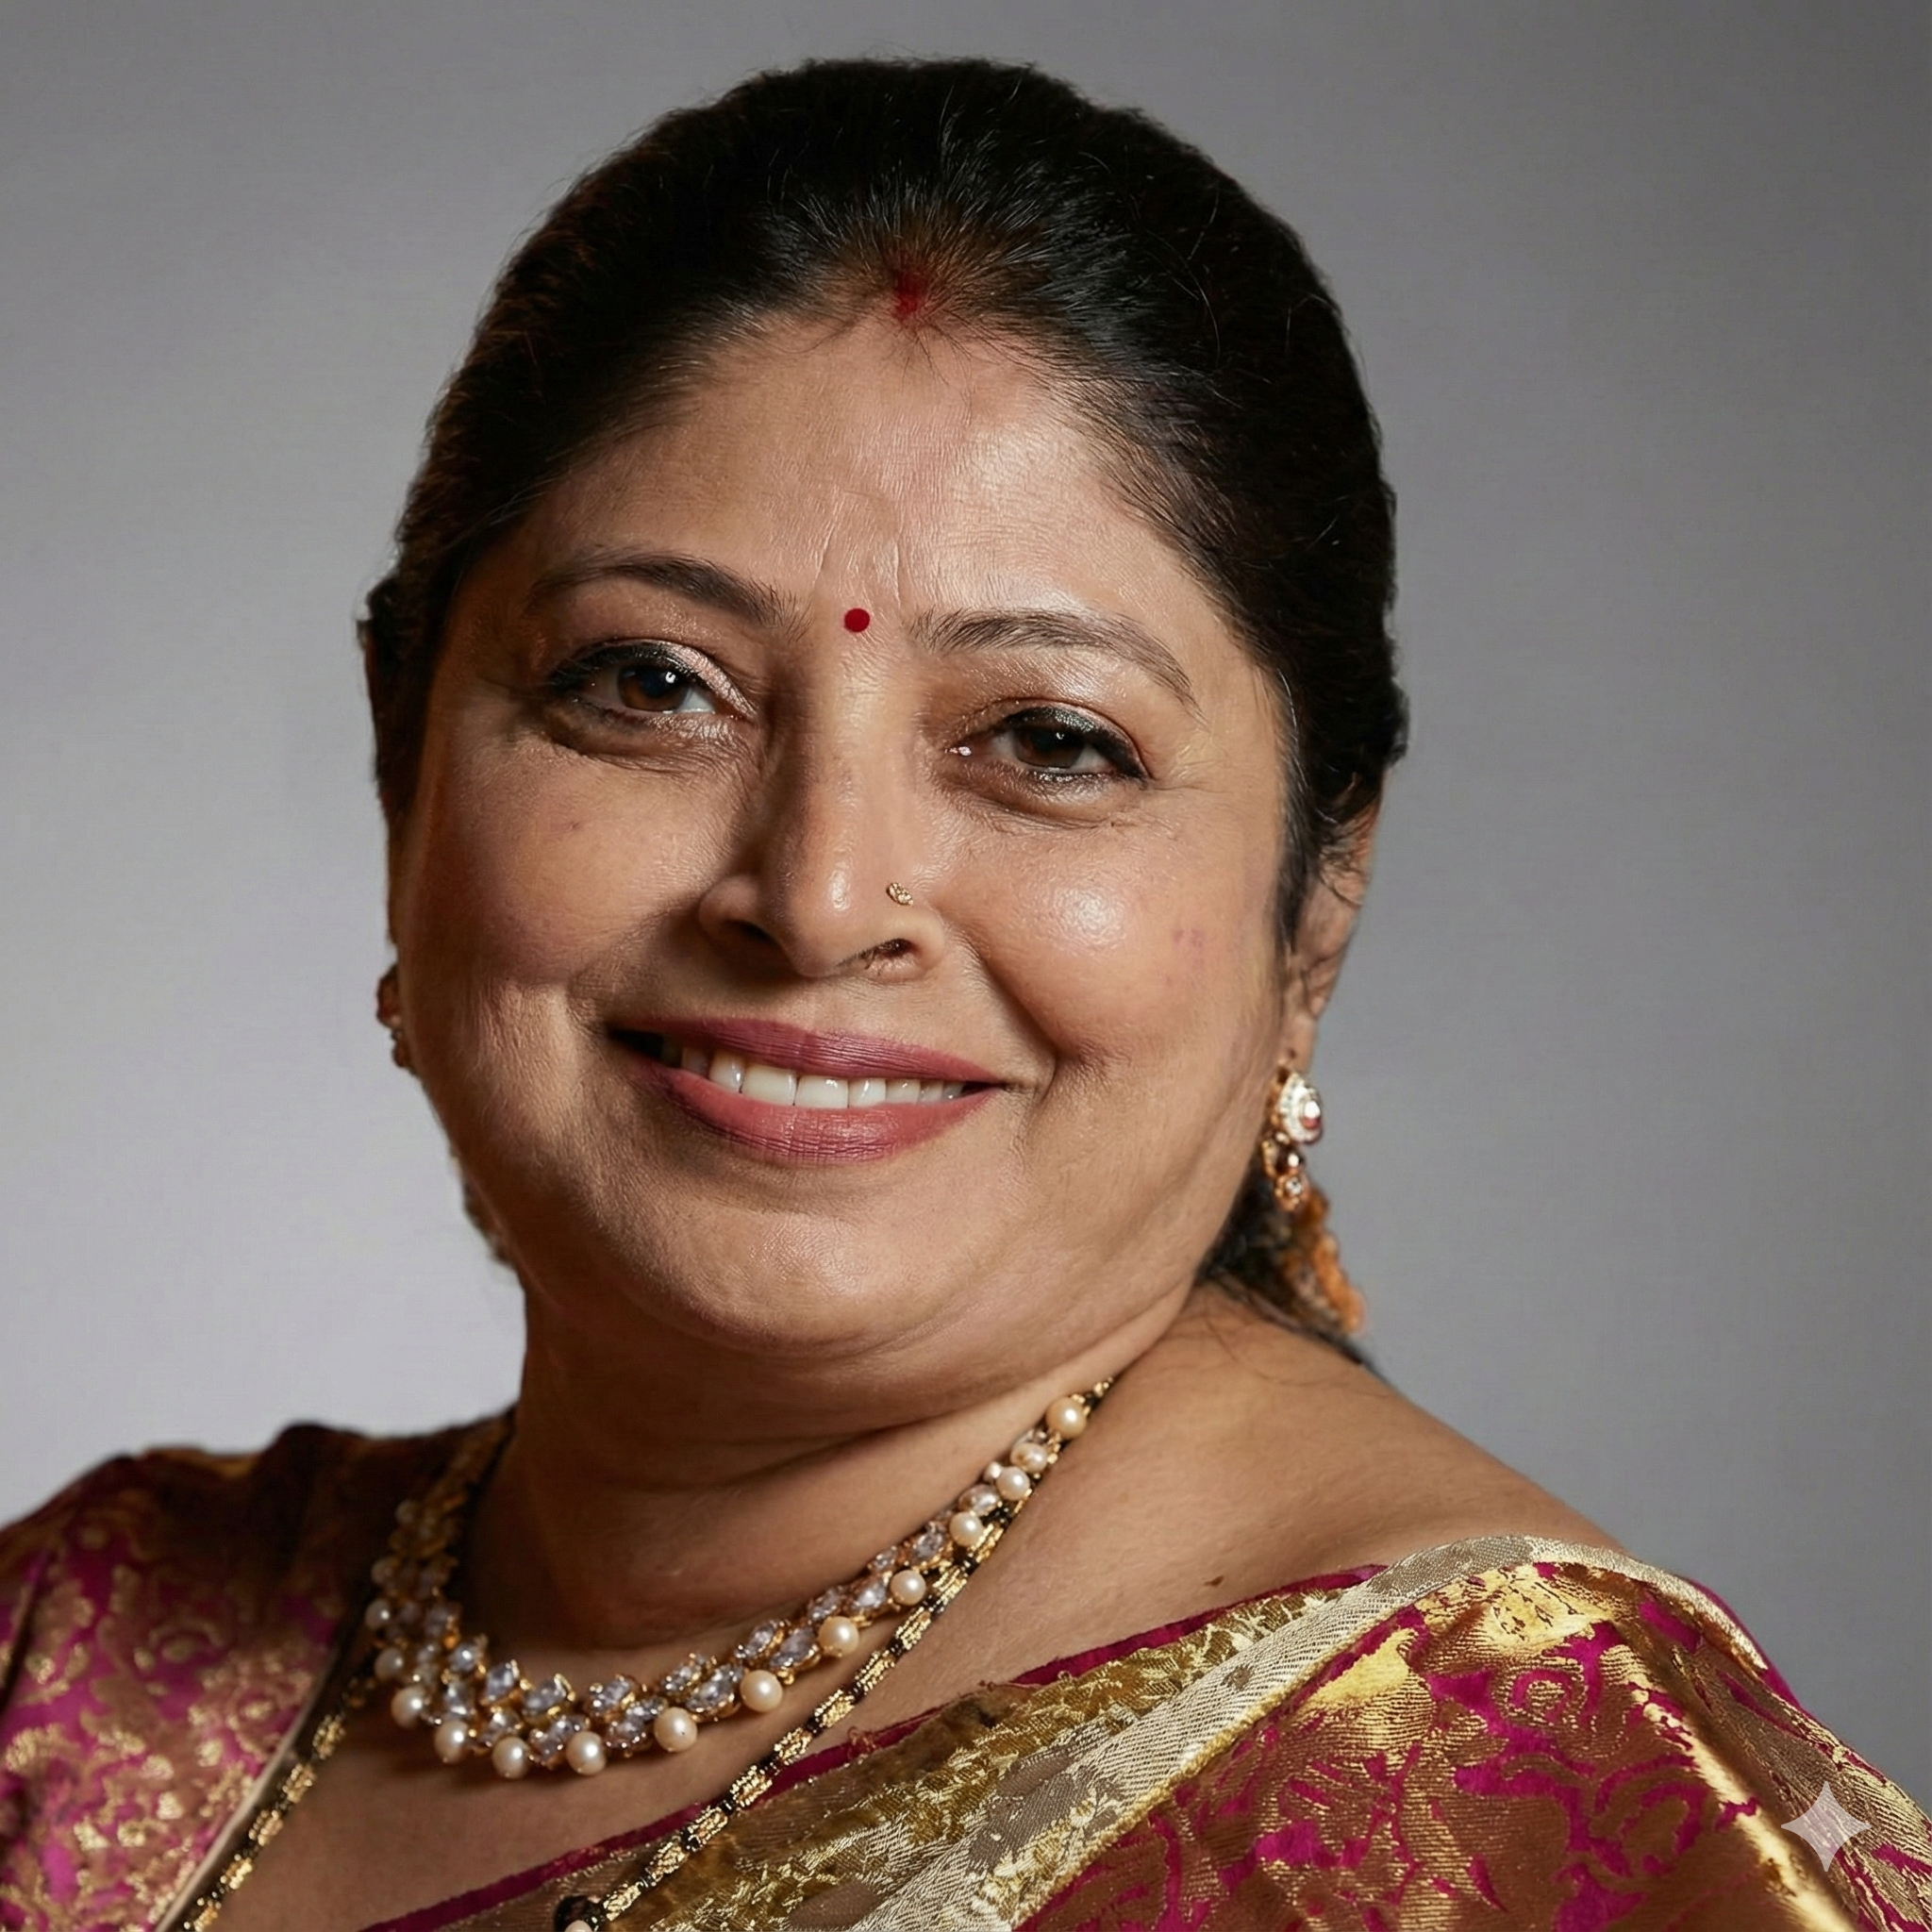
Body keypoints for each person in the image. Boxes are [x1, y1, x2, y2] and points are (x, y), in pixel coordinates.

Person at [1, 56, 1924, 1932]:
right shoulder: (77, 1658)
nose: (819, 898)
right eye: (652, 685)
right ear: (400, 754)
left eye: (1049, 739)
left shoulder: (1519, 1815)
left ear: (1318, 893)